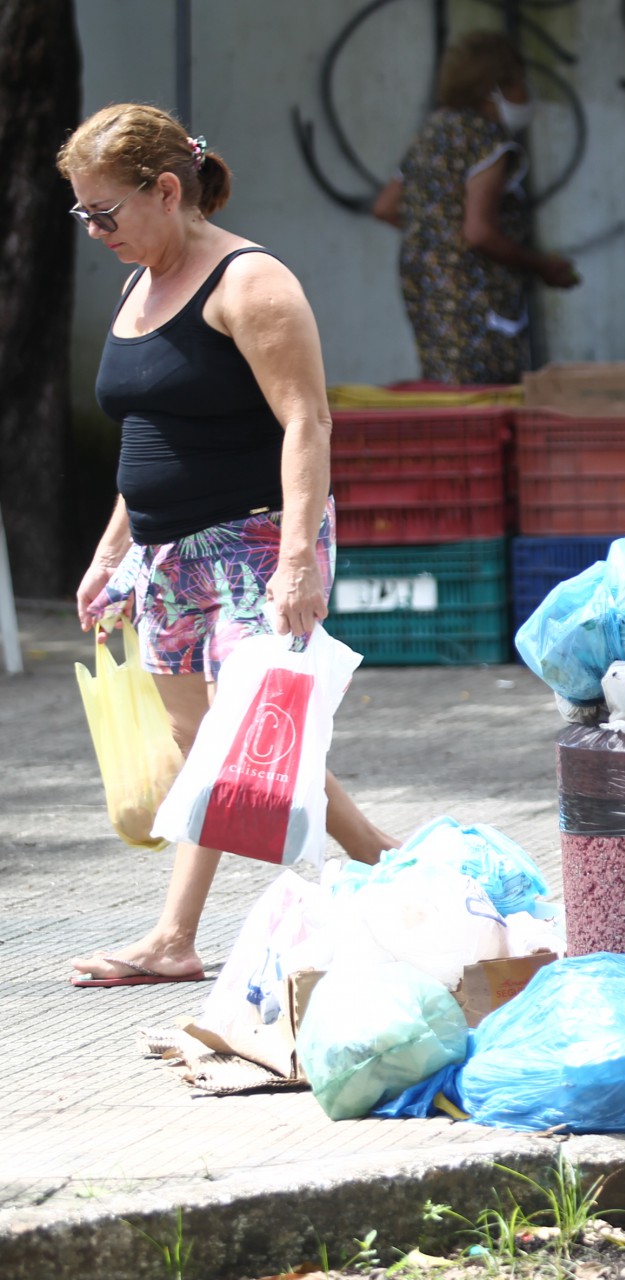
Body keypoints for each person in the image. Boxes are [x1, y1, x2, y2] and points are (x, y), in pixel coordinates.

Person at [58, 104, 398, 987]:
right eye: (82, 216)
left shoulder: (252, 284)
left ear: (166, 191)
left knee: (250, 740)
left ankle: (184, 933)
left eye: (105, 213)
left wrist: (296, 558)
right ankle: (387, 872)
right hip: (165, 555)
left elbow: (307, 421)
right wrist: (109, 553)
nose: (95, 233)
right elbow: (149, 434)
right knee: (210, 742)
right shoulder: (140, 282)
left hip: (253, 541)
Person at [372, 30, 577, 385]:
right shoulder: (487, 140)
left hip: (426, 288)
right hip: (476, 299)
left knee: (447, 393)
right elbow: (479, 231)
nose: (526, 92)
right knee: (486, 397)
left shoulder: (434, 130)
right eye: (520, 82)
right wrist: (541, 265)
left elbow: (386, 207)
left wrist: (436, 238)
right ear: (495, 87)